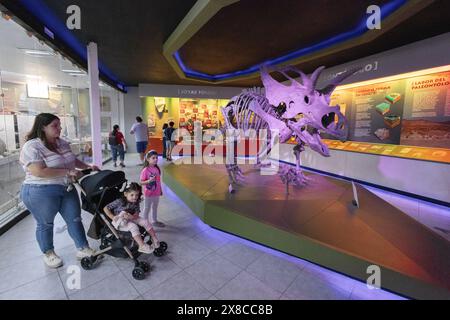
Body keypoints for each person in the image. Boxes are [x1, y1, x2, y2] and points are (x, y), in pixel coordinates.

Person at [19, 113, 98, 268]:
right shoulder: (32, 146)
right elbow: (39, 171)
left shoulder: (62, 143)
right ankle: (48, 253)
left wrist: (88, 167)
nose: (59, 128)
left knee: (75, 219)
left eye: (59, 125)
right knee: (45, 224)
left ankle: (82, 248)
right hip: (41, 191)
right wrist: (67, 172)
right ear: (43, 127)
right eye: (55, 126)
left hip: (66, 188)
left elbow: (72, 161)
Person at [103, 182, 160, 254]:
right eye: (132, 195)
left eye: (137, 195)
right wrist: (112, 217)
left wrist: (132, 217)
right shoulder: (119, 201)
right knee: (133, 226)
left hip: (131, 217)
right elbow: (106, 208)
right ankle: (141, 245)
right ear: (125, 194)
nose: (135, 197)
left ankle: (154, 238)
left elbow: (137, 213)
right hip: (121, 221)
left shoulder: (136, 202)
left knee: (145, 221)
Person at [140, 150, 165, 227]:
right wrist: (149, 181)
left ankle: (154, 220)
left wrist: (160, 189)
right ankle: (145, 222)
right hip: (148, 193)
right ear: (148, 159)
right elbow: (141, 182)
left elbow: (158, 181)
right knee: (147, 208)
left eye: (156, 158)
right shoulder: (145, 170)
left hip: (156, 192)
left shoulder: (157, 169)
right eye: (153, 158)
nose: (156, 159)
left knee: (155, 207)